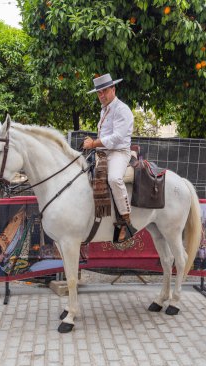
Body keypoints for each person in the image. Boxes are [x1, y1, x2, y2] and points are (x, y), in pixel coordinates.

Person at [83, 73, 135, 242]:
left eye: (105, 91)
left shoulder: (122, 109)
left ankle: (126, 221)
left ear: (113, 89)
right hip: (104, 152)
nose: (102, 95)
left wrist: (93, 143)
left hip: (119, 152)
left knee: (114, 178)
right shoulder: (104, 110)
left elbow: (117, 138)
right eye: (99, 93)